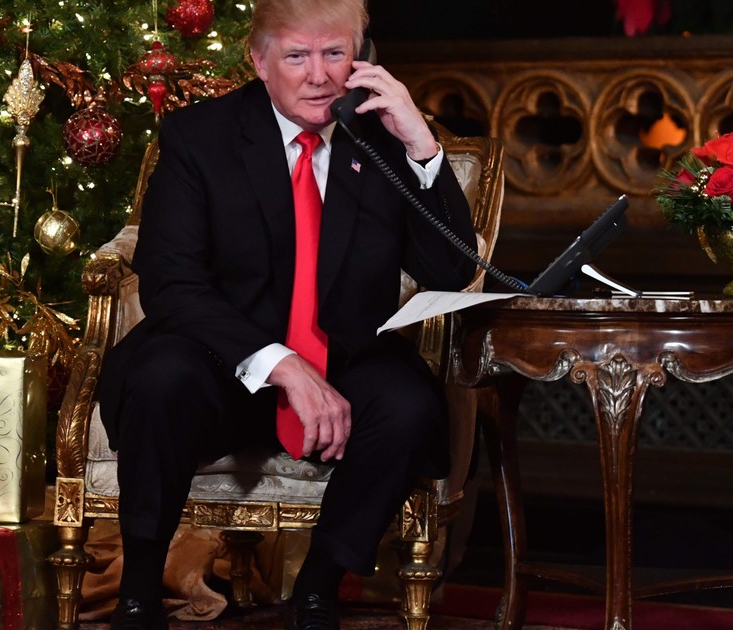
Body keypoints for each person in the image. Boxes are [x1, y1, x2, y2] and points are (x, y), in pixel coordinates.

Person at [95, 0, 478, 628]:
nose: (319, 75)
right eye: (297, 56)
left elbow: (450, 270)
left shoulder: (382, 140)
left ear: (361, 58)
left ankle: (318, 588)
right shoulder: (199, 137)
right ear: (259, 60)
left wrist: (421, 144)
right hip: (221, 359)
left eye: (335, 54)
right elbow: (172, 282)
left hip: (344, 357)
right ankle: (138, 591)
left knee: (408, 407)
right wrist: (281, 364)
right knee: (161, 377)